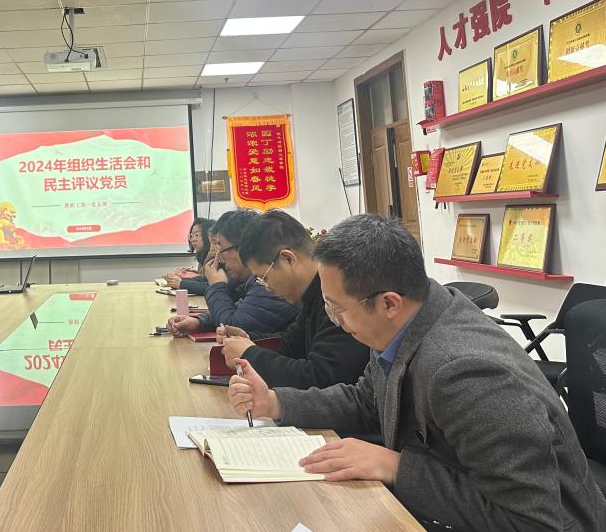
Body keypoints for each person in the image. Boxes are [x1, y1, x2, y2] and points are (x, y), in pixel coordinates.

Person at [228, 214, 606, 532]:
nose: (335, 321)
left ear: (389, 303)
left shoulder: (468, 373)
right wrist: (276, 403)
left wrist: (394, 466)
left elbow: (531, 521)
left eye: (337, 309)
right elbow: (367, 399)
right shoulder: (402, 325)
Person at [218, 211, 369, 389]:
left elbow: (322, 378)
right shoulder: (312, 294)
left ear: (288, 259)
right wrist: (249, 341)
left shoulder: (338, 294)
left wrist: (249, 354)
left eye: (264, 278)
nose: (267, 287)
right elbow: (290, 347)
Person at [167, 210, 297, 338]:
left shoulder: (269, 279)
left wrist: (216, 286)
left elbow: (234, 325)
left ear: (244, 247)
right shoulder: (249, 279)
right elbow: (240, 310)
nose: (220, 258)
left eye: (221, 249)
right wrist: (200, 322)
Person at [164, 218, 215, 294]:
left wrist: (181, 283)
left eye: (197, 235)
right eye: (192, 235)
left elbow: (211, 286)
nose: (193, 240)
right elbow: (204, 279)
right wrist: (178, 280)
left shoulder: (216, 257)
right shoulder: (203, 257)